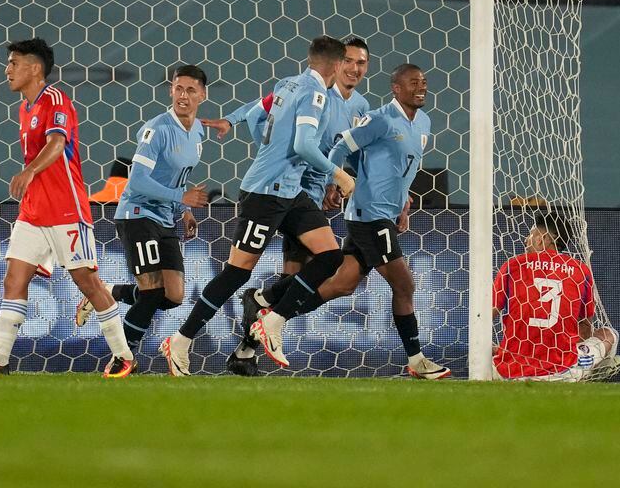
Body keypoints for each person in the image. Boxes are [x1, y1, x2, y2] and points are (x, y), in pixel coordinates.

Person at [159, 35, 355, 376]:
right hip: (265, 194)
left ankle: (271, 315)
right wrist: (340, 175)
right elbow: (305, 145)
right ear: (336, 66)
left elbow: (257, 110)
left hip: (291, 193)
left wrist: (231, 122)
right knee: (236, 272)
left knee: (330, 255)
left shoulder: (287, 83)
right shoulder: (316, 94)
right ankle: (181, 339)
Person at [248, 63, 450, 379]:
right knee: (405, 285)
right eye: (413, 82)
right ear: (396, 88)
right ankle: (416, 359)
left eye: (423, 81)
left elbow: (403, 168)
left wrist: (403, 201)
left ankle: (269, 307)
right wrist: (336, 181)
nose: (421, 86)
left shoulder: (423, 122)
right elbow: (343, 145)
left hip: (384, 213)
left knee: (342, 285)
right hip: (368, 216)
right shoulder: (380, 119)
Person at [0, 38, 136, 378]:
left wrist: (30, 170)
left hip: (66, 209)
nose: (7, 69)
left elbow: (57, 143)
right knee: (13, 279)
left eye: (14, 63)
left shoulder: (55, 100)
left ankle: (124, 357)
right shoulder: (24, 109)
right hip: (33, 211)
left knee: (88, 283)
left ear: (34, 68)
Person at [207, 37, 372, 376]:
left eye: (362, 63)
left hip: (313, 195)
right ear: (337, 64)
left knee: (296, 277)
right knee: (305, 274)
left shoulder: (360, 107)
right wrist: (238, 125)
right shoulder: (311, 93)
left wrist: (341, 181)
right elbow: (265, 111)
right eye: (350, 61)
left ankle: (250, 339)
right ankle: (258, 322)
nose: (355, 68)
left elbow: (356, 151)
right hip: (296, 193)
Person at [74, 65, 210, 356]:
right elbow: (135, 180)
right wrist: (180, 195)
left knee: (173, 296)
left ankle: (109, 291)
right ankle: (123, 357)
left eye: (190, 90)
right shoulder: (157, 128)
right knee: (151, 293)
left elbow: (179, 177)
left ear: (202, 95)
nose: (182, 95)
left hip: (165, 218)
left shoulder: (198, 131)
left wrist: (183, 208)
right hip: (137, 215)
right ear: (171, 90)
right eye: (178, 88)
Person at [491, 211, 620, 382]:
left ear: (540, 238)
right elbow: (584, 326)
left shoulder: (513, 265)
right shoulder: (580, 270)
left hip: (511, 371)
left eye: (530, 234)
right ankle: (589, 371)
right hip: (563, 372)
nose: (526, 239)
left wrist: (503, 349)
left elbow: (486, 316)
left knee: (484, 348)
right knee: (609, 334)